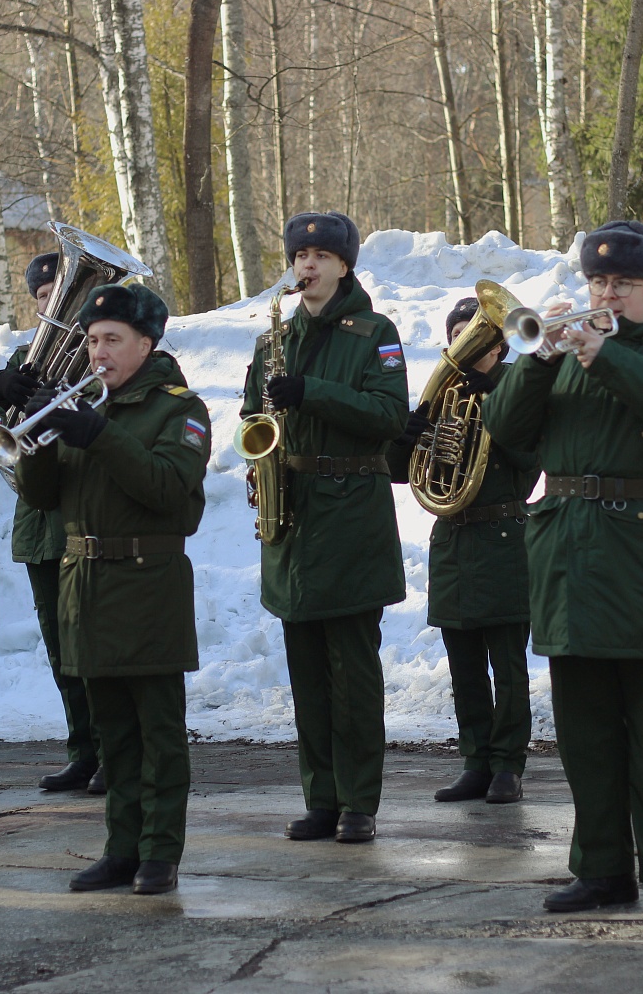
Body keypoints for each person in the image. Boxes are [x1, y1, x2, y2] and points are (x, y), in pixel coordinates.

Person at [482, 220, 643, 915]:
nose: (606, 294)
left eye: (622, 284)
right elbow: (504, 430)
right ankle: (601, 869)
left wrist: (604, 356)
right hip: (567, 555)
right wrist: (537, 359)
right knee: (583, 731)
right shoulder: (557, 356)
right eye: (598, 281)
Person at [16, 282, 209, 895]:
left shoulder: (179, 409)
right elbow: (42, 500)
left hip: (147, 584)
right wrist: (38, 437)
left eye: (112, 340)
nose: (98, 353)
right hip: (87, 586)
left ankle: (159, 852)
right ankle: (119, 848)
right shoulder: (86, 408)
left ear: (146, 344)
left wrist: (96, 435)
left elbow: (167, 492)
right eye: (92, 340)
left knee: (157, 731)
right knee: (112, 736)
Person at [240, 211, 409, 844]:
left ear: (344, 264)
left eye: (320, 255)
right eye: (299, 255)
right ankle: (321, 798)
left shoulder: (374, 332)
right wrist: (259, 466)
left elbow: (390, 414)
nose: (306, 265)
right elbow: (253, 415)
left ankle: (360, 800)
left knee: (353, 674)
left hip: (352, 511)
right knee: (306, 672)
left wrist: (313, 391)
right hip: (292, 513)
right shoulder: (272, 338)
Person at [388, 296, 538, 803]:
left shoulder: (518, 391)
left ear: (496, 345)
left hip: (503, 537)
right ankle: (475, 761)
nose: (461, 345)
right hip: (452, 540)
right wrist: (409, 438)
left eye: (471, 335)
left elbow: (531, 461)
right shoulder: (443, 396)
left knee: (508, 666)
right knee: (464, 666)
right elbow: (397, 471)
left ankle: (508, 766)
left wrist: (493, 400)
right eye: (455, 335)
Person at [0, 253, 104, 796]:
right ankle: (83, 751)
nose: (51, 304)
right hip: (38, 526)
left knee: (94, 647)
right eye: (42, 297)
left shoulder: (105, 357)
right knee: (61, 652)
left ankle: (112, 751)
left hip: (86, 521)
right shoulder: (21, 358)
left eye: (63, 294)